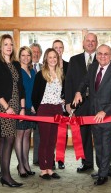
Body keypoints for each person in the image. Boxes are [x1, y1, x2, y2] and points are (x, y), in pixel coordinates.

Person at [73, 44, 111, 186]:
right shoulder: (93, 67)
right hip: (93, 114)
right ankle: (105, 168)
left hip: (108, 115)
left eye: (106, 54)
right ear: (96, 55)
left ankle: (103, 175)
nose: (103, 56)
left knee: (106, 144)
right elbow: (84, 82)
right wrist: (78, 92)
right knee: (98, 144)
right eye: (100, 54)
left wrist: (105, 111)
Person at [0, 34, 25, 187]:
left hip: (16, 107)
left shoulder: (16, 64)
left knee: (5, 139)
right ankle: (7, 176)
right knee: (8, 138)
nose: (9, 47)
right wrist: (7, 107)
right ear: (0, 47)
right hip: (3, 107)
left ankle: (4, 175)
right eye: (5, 44)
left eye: (11, 44)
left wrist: (22, 108)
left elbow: (20, 88)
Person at [65, 33, 98, 173]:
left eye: (93, 41)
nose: (90, 43)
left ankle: (104, 166)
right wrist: (68, 102)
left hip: (98, 104)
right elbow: (69, 82)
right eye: (88, 41)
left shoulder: (103, 58)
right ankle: (87, 163)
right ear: (83, 43)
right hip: (80, 103)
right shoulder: (74, 60)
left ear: (96, 43)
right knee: (83, 134)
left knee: (100, 135)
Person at [32, 48, 63, 180]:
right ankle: (43, 169)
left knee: (52, 140)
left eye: (54, 57)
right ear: (46, 59)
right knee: (44, 140)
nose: (52, 59)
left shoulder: (60, 74)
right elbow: (35, 95)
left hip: (57, 109)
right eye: (50, 57)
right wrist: (38, 108)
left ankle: (50, 168)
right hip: (44, 109)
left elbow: (62, 92)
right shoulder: (40, 74)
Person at [14, 46, 36, 178]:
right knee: (20, 136)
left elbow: (34, 91)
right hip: (20, 108)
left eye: (28, 55)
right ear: (19, 56)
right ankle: (20, 165)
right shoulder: (17, 71)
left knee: (27, 136)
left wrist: (34, 105)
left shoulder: (32, 71)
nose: (26, 58)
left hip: (31, 108)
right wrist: (22, 108)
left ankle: (26, 164)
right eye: (23, 55)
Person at [52, 39, 69, 169]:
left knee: (62, 133)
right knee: (51, 133)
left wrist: (67, 99)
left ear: (63, 49)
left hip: (64, 105)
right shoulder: (47, 66)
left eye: (60, 47)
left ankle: (61, 159)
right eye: (55, 47)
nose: (58, 50)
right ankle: (50, 158)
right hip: (51, 104)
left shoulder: (70, 65)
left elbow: (72, 84)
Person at [30, 43, 43, 166]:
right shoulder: (23, 67)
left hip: (41, 106)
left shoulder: (45, 67)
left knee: (40, 133)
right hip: (27, 106)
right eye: (33, 51)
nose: (36, 54)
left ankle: (38, 159)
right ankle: (23, 162)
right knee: (24, 135)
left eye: (38, 51)